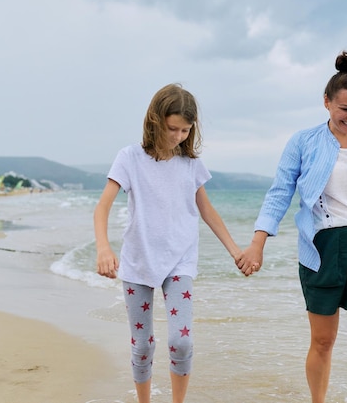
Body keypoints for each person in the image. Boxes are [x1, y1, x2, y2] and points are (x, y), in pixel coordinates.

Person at [238, 51, 347, 403]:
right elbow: (280, 193)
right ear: (326, 102)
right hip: (324, 250)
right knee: (323, 342)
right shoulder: (303, 142)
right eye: (345, 109)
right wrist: (257, 243)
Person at [94, 83, 255, 403]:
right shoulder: (129, 158)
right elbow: (102, 207)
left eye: (185, 130)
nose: (178, 136)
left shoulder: (191, 164)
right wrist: (103, 248)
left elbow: (206, 210)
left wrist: (236, 251)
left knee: (181, 342)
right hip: (138, 260)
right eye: (172, 128)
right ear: (155, 120)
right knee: (142, 344)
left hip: (180, 260)